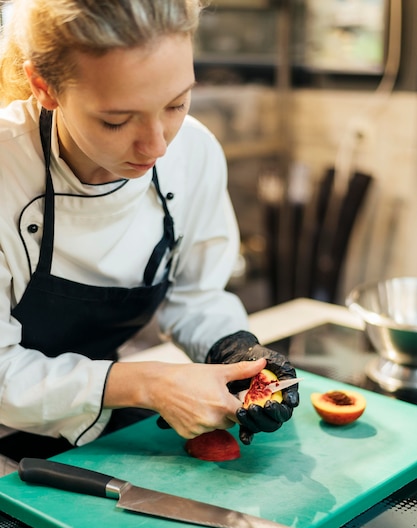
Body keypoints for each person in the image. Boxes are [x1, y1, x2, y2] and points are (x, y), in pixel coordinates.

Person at [0, 0, 299, 460]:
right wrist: (149, 383)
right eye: (116, 120)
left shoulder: (194, 151)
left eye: (177, 103)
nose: (157, 144)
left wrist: (234, 349)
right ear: (44, 87)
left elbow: (196, 295)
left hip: (99, 429)